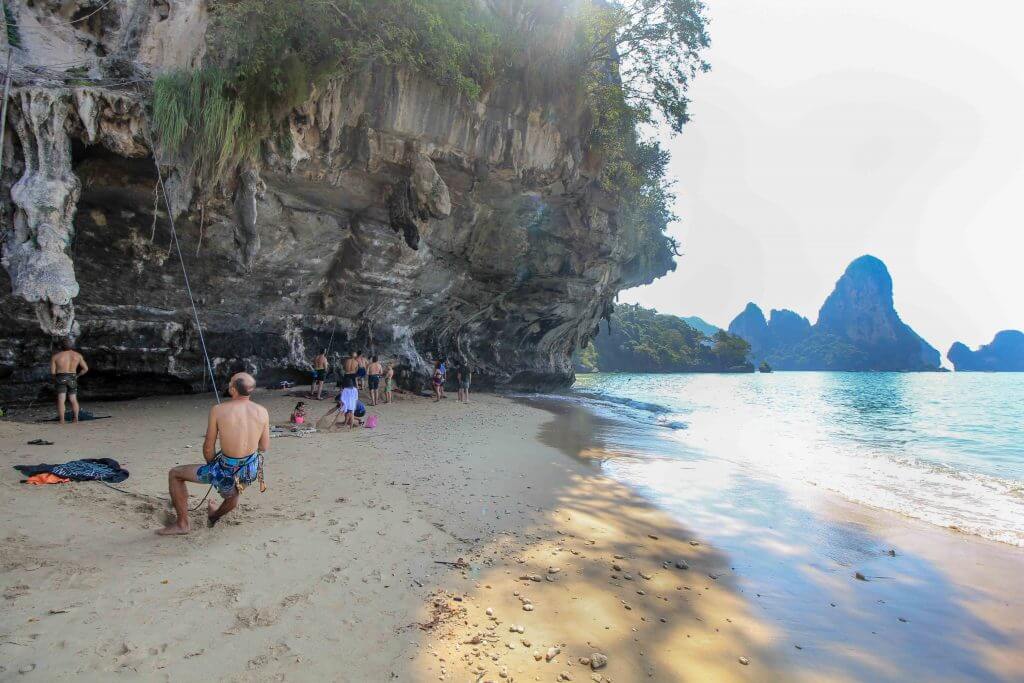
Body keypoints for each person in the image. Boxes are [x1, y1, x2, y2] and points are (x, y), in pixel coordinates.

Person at [157, 373, 269, 535]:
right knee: (233, 491)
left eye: (230, 383)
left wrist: (212, 464)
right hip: (250, 469)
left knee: (175, 474)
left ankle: (182, 524)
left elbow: (209, 447)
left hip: (227, 470)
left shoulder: (219, 410)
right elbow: (264, 446)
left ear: (232, 390)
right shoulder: (262, 411)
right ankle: (214, 515)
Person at [50, 338, 89, 424]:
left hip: (61, 377)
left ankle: (62, 420)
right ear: (72, 346)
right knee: (73, 399)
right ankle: (75, 419)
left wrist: (55, 379)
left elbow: (52, 372)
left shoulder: (56, 356)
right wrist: (78, 375)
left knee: (61, 399)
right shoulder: (77, 355)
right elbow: (85, 369)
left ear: (61, 346)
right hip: (72, 377)